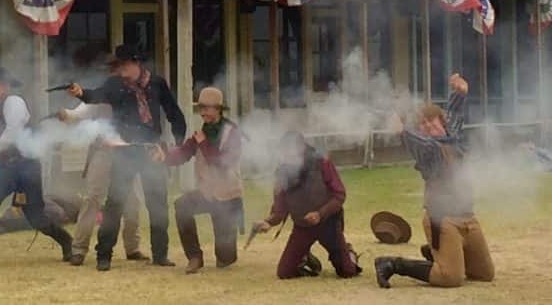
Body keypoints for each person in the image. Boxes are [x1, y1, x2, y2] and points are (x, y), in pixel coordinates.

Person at [67, 44, 186, 271]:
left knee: (158, 204)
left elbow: (174, 114)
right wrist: (81, 92)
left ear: (135, 63)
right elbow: (95, 95)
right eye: (118, 64)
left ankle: (160, 254)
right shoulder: (114, 85)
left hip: (152, 150)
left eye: (123, 64)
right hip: (126, 150)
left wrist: (176, 146)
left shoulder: (157, 83)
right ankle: (104, 255)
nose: (119, 68)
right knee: (115, 204)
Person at [374, 73, 494, 289]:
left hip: (468, 217)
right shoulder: (427, 149)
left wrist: (460, 94)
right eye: (423, 124)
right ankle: (393, 264)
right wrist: (403, 132)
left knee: (484, 274)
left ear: (442, 121)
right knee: (450, 278)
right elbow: (418, 141)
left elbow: (455, 116)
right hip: (443, 220)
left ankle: (437, 254)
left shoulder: (453, 137)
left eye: (431, 120)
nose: (427, 126)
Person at [0, 67, 74, 266]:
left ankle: (67, 242)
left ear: (6, 86)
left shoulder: (13, 101)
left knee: (36, 217)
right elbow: (4, 138)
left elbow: (12, 132)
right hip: (7, 167)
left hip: (25, 167)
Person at [153, 86, 243, 274]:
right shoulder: (201, 133)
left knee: (225, 259)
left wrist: (203, 142)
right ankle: (195, 257)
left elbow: (221, 163)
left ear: (218, 109)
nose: (203, 113)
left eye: (207, 108)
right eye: (201, 108)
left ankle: (224, 254)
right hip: (207, 192)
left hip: (227, 197)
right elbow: (184, 153)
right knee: (182, 206)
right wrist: (165, 157)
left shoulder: (232, 133)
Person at [251, 131, 361, 280]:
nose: (287, 156)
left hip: (328, 224)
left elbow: (339, 195)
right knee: (284, 272)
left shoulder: (322, 163)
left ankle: (348, 253)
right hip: (303, 227)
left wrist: (320, 214)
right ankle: (304, 258)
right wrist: (267, 222)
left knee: (347, 272)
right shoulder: (282, 173)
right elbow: (280, 210)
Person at [55, 99, 148, 266]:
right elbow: (80, 112)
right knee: (92, 197)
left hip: (128, 151)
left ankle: (132, 247)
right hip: (102, 150)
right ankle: (78, 250)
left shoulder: (133, 92)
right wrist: (67, 114)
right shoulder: (100, 95)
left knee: (133, 200)